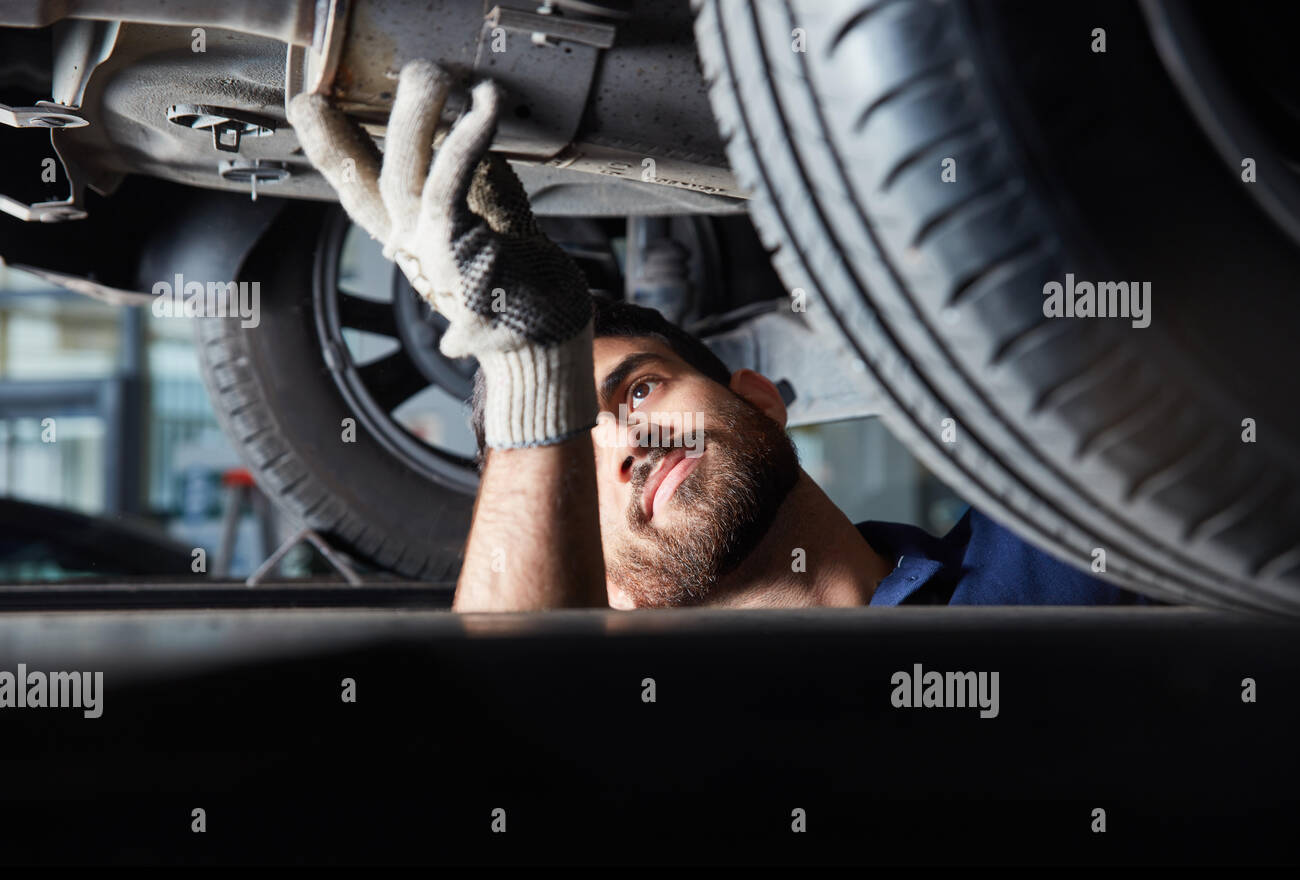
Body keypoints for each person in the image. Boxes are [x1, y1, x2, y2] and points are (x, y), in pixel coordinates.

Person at [289, 61, 1155, 612]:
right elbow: (512, 739)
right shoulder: (679, 749)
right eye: (580, 461)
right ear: (605, 592)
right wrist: (527, 372)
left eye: (638, 390)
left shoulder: (1056, 549)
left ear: (760, 397)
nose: (625, 442)